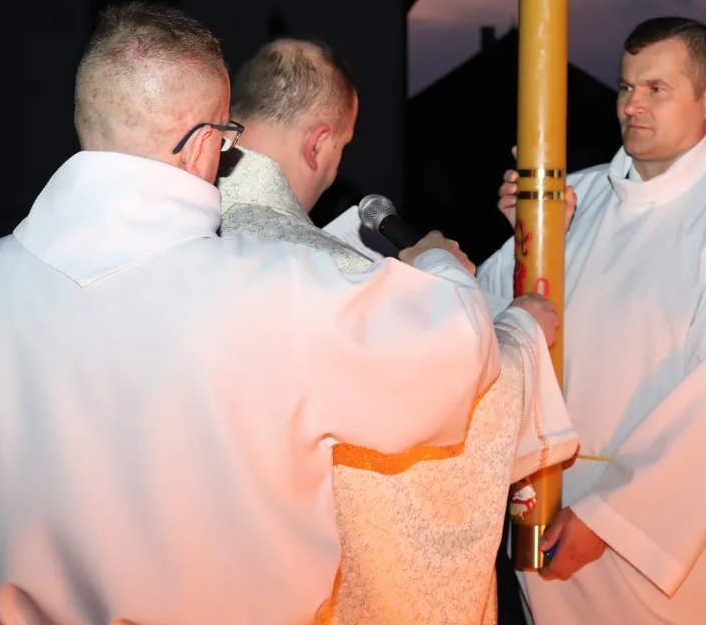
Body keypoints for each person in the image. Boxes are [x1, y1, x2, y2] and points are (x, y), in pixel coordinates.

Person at [0, 3, 510, 625]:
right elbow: (457, 348)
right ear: (198, 145)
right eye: (226, 139)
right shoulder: (277, 288)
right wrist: (436, 263)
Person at [217, 37, 579, 625]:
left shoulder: (185, 228)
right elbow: (445, 404)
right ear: (318, 142)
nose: (335, 168)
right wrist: (521, 335)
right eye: (340, 149)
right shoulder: (323, 271)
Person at [477, 17, 706, 625]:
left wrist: (610, 520)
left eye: (656, 88)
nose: (632, 104)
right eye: (626, 87)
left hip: (667, 530)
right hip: (548, 504)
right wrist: (529, 242)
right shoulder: (569, 198)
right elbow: (493, 328)